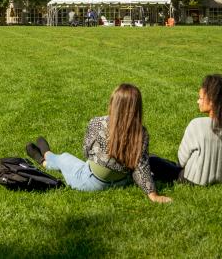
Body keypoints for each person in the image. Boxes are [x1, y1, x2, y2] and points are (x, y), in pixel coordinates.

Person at [26, 84, 172, 203]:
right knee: (71, 162)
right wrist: (153, 195)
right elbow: (142, 166)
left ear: (113, 104)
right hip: (122, 181)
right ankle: (46, 155)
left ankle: (45, 157)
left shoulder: (98, 123)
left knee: (64, 158)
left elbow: (86, 152)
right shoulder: (141, 132)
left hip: (91, 182)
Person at [149, 74, 222, 200]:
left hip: (190, 180)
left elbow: (182, 160)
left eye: (200, 98)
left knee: (152, 159)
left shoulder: (197, 124)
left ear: (212, 102)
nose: (198, 101)